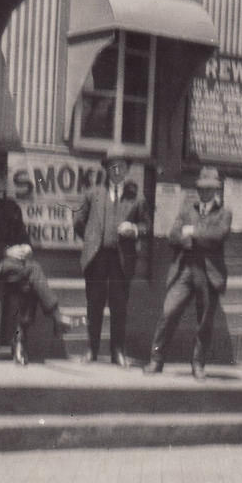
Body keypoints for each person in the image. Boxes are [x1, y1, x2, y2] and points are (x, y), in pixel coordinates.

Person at [0, 159, 79, 365]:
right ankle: (52, 317)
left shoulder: (12, 207)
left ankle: (19, 341)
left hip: (13, 267)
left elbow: (22, 236)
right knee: (32, 270)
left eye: (4, 176)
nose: (3, 180)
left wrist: (26, 246)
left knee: (28, 285)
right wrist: (7, 250)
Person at [143, 167, 231, 381]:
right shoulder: (187, 209)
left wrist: (191, 232)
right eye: (201, 188)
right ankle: (156, 360)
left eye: (209, 189)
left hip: (209, 273)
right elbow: (172, 235)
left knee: (204, 321)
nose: (205, 193)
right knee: (168, 312)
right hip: (184, 269)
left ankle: (198, 364)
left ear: (216, 190)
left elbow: (217, 236)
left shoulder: (224, 213)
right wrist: (191, 237)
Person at [73, 144, 151, 367]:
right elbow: (79, 223)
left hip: (121, 260)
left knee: (119, 305)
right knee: (94, 304)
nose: (117, 171)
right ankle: (92, 350)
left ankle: (118, 351)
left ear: (127, 170)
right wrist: (92, 240)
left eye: (122, 167)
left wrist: (134, 230)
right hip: (97, 258)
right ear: (106, 169)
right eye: (113, 166)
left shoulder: (136, 199)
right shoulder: (92, 194)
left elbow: (148, 227)